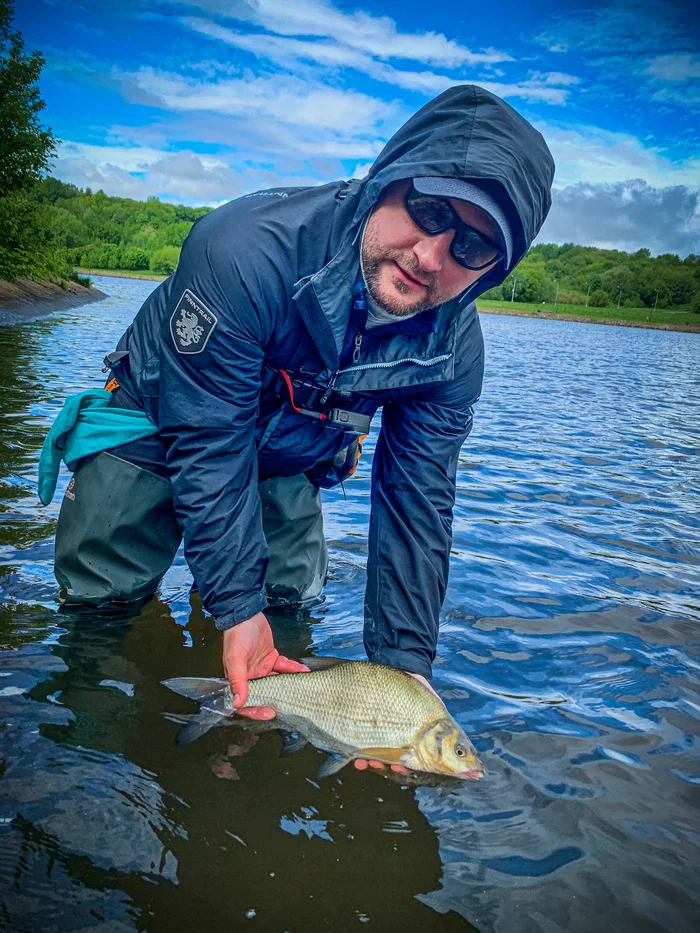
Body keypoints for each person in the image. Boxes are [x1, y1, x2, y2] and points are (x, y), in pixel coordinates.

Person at [45, 85, 554, 765]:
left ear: (495, 270)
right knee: (103, 609)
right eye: (428, 211)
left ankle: (239, 757)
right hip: (161, 416)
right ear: (385, 181)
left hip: (288, 449)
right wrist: (233, 604)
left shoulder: (452, 352)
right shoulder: (246, 250)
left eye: (473, 246)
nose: (431, 256)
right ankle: (89, 757)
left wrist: (403, 669)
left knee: (283, 609)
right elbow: (209, 439)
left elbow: (416, 506)